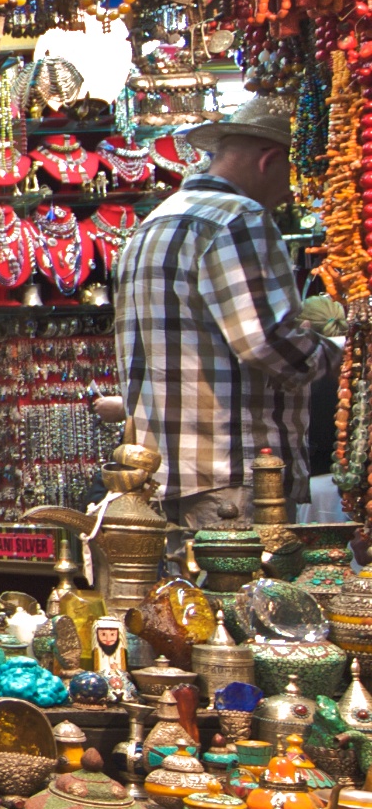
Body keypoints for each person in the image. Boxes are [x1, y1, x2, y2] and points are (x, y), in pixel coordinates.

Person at [113, 98, 339, 528]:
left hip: (163, 472)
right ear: (269, 161)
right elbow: (266, 340)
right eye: (293, 177)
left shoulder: (156, 222)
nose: (290, 193)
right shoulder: (240, 218)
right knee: (250, 594)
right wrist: (338, 354)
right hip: (235, 472)